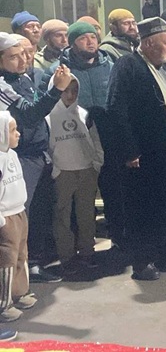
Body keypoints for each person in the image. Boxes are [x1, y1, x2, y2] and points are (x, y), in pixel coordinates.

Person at [106, 18, 166, 280]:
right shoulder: (128, 66)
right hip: (144, 154)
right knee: (144, 208)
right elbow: (116, 109)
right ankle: (142, 262)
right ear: (148, 44)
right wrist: (128, 150)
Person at [0, 33, 72, 284]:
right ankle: (20, 272)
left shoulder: (24, 79)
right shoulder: (2, 85)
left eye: (23, 54)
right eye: (13, 57)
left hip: (39, 154)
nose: (23, 60)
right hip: (20, 158)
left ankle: (35, 264)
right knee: (21, 217)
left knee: (41, 212)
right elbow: (30, 115)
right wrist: (57, 89)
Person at [45, 75, 103, 275]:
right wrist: (55, 169)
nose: (70, 95)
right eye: (65, 90)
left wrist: (96, 164)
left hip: (86, 170)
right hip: (63, 173)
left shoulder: (84, 114)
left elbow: (95, 141)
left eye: (74, 91)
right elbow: (47, 146)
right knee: (62, 217)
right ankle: (66, 256)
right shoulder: (49, 116)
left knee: (86, 215)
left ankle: (87, 252)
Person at [0, 112, 36, 326]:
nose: (18, 134)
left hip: (19, 211)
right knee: (7, 259)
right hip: (6, 217)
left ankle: (19, 292)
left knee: (22, 254)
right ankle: (3, 303)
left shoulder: (12, 155)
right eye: (12, 131)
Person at [43, 21, 113, 109]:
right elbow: (45, 104)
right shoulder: (57, 71)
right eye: (82, 38)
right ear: (72, 44)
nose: (90, 42)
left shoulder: (111, 68)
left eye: (93, 37)